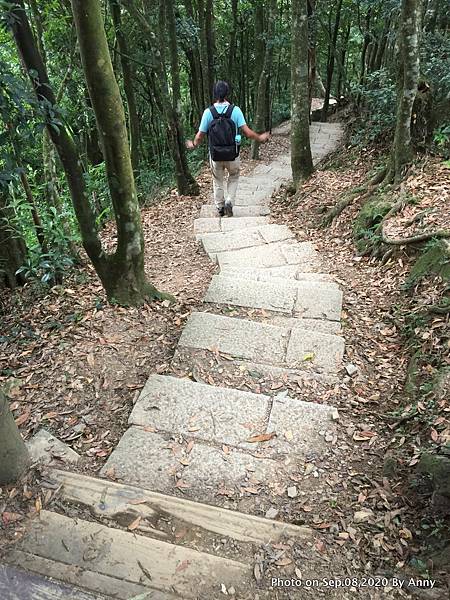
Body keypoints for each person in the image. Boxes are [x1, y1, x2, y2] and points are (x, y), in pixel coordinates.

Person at [186, 81, 270, 217]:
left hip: (215, 155)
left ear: (214, 94)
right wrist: (260, 137)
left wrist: (193, 144)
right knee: (234, 177)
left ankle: (220, 207)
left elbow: (200, 135)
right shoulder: (235, 111)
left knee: (217, 180)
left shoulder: (208, 113)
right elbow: (247, 133)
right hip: (233, 154)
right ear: (227, 94)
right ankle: (230, 201)